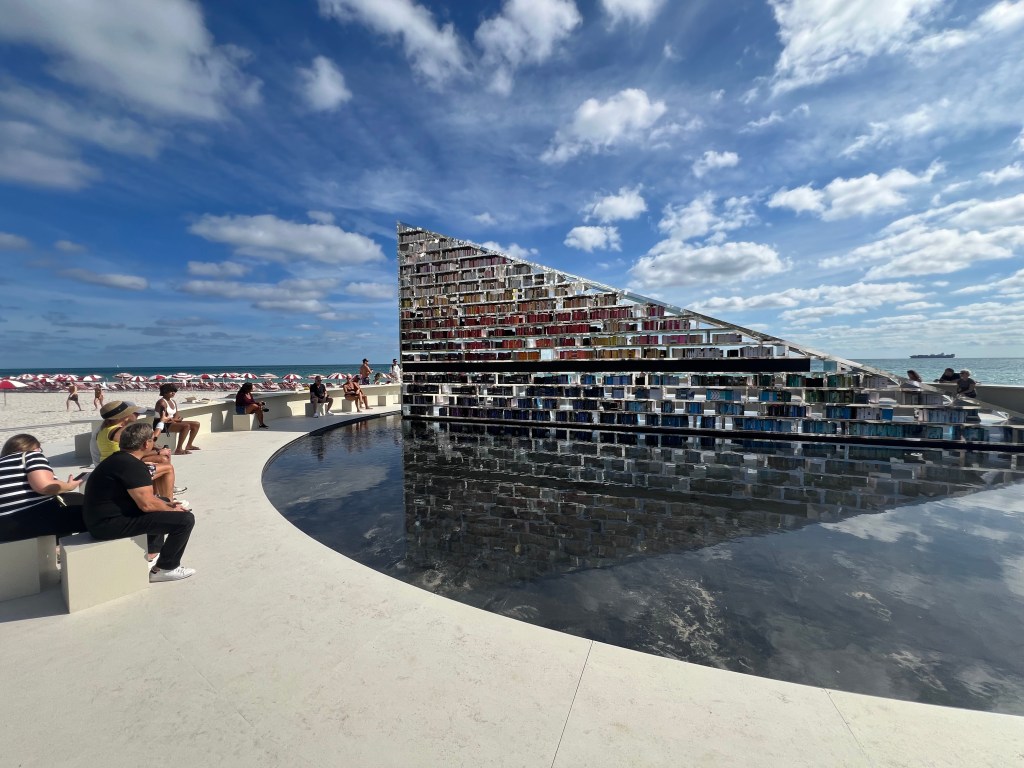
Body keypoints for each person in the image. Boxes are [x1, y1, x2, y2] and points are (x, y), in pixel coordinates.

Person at [84, 422, 196, 582]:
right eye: (152, 440)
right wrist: (173, 510)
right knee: (184, 521)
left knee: (163, 501)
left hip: (100, 519)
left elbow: (146, 500)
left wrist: (167, 505)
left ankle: (152, 552)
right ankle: (166, 568)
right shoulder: (133, 466)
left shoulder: (117, 460)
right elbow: (147, 505)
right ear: (146, 444)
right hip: (107, 526)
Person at [0, 434, 87, 543]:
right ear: (33, 447)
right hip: (26, 520)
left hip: (4, 530)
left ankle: (55, 546)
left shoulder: (3, 462)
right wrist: (69, 486)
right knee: (89, 509)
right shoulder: (30, 455)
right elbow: (45, 486)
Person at [93, 400, 178, 506]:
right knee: (167, 467)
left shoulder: (104, 430)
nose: (136, 414)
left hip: (111, 465)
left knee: (161, 459)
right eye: (133, 412)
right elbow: (147, 443)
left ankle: (156, 495)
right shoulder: (121, 432)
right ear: (123, 416)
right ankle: (169, 503)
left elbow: (136, 449)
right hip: (121, 469)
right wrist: (161, 424)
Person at [155, 383, 201, 454]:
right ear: (165, 392)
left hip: (171, 422)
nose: (173, 393)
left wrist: (175, 419)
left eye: (174, 391)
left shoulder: (173, 401)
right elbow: (163, 418)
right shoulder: (162, 403)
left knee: (196, 424)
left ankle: (189, 445)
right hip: (162, 425)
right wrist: (177, 420)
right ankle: (178, 449)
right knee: (186, 426)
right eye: (171, 391)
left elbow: (176, 415)